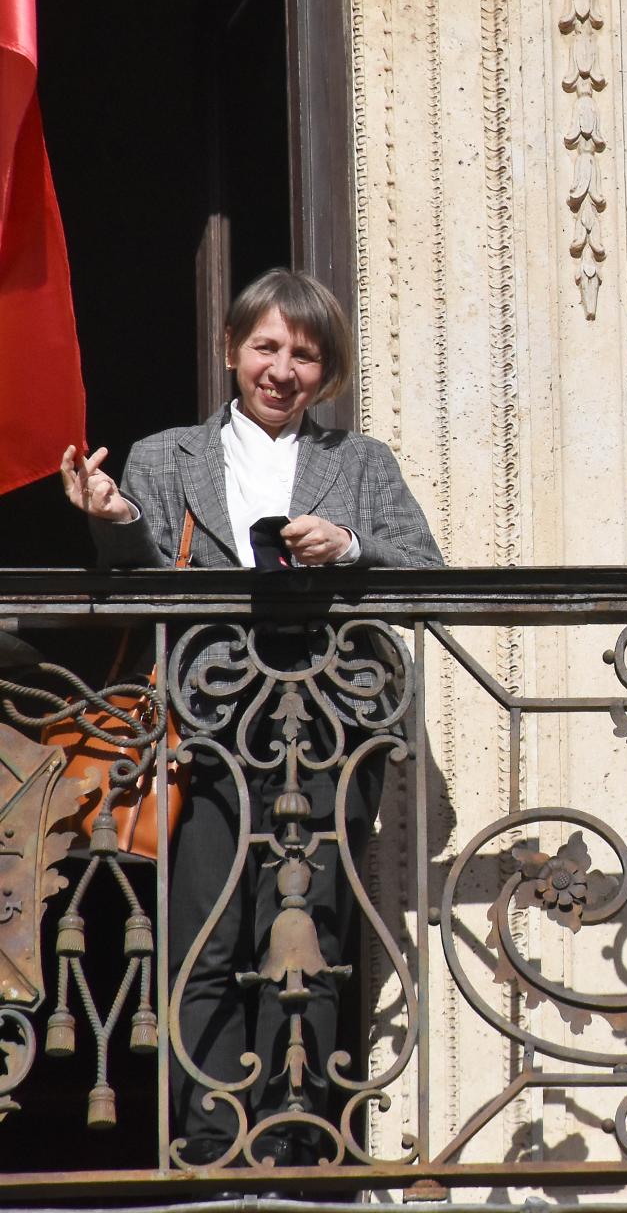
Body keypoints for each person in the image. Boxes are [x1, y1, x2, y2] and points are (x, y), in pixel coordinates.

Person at [60, 268, 443, 1168]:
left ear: (328, 373)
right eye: (266, 347)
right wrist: (115, 521)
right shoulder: (164, 456)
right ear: (233, 351)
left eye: (304, 354)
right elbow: (134, 579)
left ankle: (294, 1134)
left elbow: (425, 567)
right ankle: (209, 1140)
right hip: (207, 726)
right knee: (207, 926)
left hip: (333, 726)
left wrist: (347, 545)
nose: (282, 368)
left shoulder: (360, 463)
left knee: (307, 932)